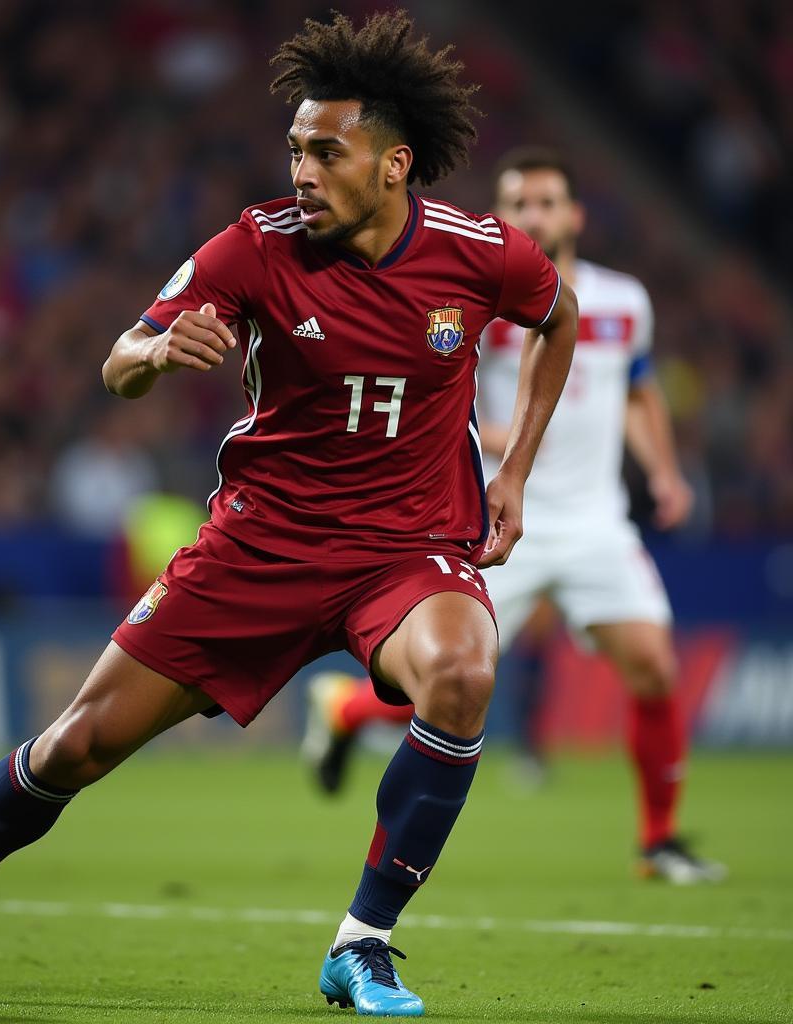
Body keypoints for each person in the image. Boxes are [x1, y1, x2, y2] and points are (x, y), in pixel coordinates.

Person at [0, 13, 577, 1015]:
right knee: (75, 745)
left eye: (324, 151)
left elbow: (558, 318)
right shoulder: (252, 248)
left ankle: (362, 944)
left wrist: (513, 476)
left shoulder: (477, 253)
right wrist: (157, 355)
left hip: (408, 550)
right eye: (294, 148)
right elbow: (117, 360)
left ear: (392, 163)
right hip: (261, 546)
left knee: (463, 672)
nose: (300, 169)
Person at [301, 146, 726, 887]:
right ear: (502, 216)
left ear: (574, 214)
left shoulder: (623, 301)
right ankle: (347, 710)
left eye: (547, 202)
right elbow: (430, 386)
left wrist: (663, 470)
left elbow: (636, 388)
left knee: (655, 667)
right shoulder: (477, 297)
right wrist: (503, 437)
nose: (534, 215)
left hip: (596, 522)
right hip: (498, 516)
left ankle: (658, 843)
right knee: (450, 682)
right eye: (519, 204)